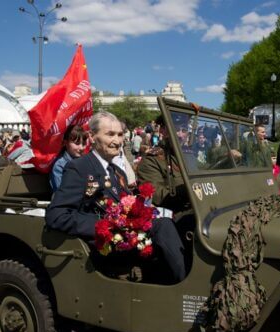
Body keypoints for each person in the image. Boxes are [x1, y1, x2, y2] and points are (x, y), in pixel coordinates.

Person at [46, 111, 186, 282]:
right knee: (163, 226)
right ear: (92, 136)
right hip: (104, 245)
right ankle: (185, 283)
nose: (117, 141)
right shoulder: (79, 168)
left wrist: (139, 211)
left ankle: (180, 283)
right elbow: (57, 214)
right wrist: (104, 226)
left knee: (175, 224)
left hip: (128, 237)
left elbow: (124, 204)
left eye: (120, 134)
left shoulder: (117, 171)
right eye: (110, 134)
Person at [50, 125, 89, 192]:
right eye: (77, 143)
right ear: (65, 143)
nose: (81, 148)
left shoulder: (86, 161)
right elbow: (61, 191)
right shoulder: (60, 165)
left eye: (84, 144)